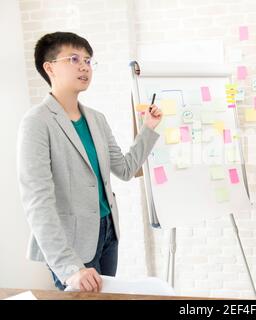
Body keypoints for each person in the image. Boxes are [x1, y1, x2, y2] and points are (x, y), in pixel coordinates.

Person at [17, 32, 163, 292]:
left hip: (107, 234)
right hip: (70, 245)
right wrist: (69, 268)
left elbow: (126, 169)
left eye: (87, 60)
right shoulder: (37, 121)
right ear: (49, 67)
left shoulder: (97, 119)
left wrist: (149, 128)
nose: (84, 66)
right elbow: (37, 202)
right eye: (74, 59)